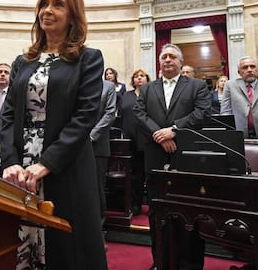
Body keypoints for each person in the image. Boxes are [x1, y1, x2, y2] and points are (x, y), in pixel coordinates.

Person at [0, 0, 108, 270]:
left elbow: (85, 116)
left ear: (73, 15)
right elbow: (8, 115)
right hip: (21, 168)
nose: (47, 11)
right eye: (44, 4)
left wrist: (46, 163)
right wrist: (10, 161)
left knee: (67, 248)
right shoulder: (23, 62)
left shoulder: (88, 58)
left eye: (58, 5)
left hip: (65, 163)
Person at [134, 43, 209, 270]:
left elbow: (202, 112)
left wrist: (174, 130)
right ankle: (161, 261)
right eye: (163, 56)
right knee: (157, 212)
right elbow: (139, 113)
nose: (167, 60)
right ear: (159, 62)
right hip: (155, 156)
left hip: (185, 156)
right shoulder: (148, 88)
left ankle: (190, 265)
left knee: (190, 213)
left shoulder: (196, 85)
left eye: (172, 57)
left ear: (180, 61)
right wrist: (160, 135)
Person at [119, 68, 150, 216]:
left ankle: (152, 204)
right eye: (136, 76)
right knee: (134, 175)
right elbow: (121, 115)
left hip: (148, 141)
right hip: (129, 140)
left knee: (149, 174)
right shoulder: (126, 96)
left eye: (142, 76)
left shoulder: (152, 94)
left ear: (147, 79)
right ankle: (135, 204)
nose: (139, 78)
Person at [90, 79, 116, 250]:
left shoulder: (108, 87)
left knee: (97, 189)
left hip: (96, 145)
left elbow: (110, 114)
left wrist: (91, 135)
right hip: (73, 145)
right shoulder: (78, 82)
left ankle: (98, 234)